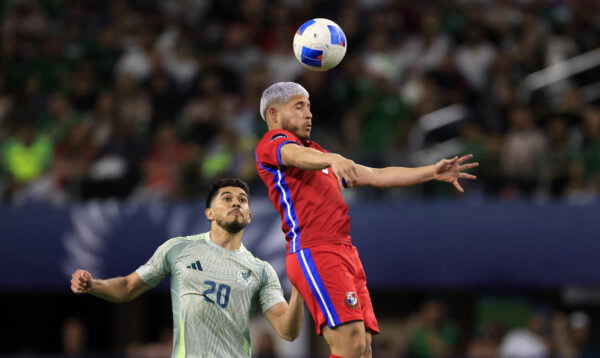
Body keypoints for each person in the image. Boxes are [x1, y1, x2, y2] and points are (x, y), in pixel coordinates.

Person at [254, 82, 478, 358]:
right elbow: (295, 155)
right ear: (274, 115)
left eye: (309, 107)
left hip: (345, 251)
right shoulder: (274, 144)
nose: (309, 114)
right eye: (299, 107)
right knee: (350, 346)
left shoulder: (321, 155)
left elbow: (377, 175)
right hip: (315, 249)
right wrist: (333, 159)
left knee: (362, 349)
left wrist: (431, 171)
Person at [70, 178, 303, 357]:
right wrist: (93, 284)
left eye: (242, 200)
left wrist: (300, 289)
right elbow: (127, 287)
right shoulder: (178, 249)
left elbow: (287, 331)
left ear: (249, 216)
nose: (236, 203)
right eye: (227, 198)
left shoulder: (261, 270)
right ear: (209, 213)